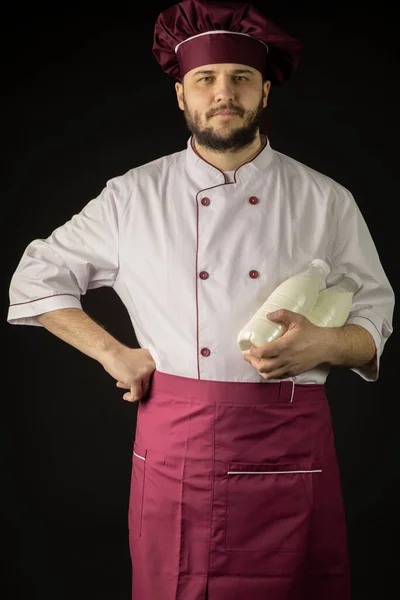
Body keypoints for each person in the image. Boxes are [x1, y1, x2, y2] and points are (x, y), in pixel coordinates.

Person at [7, 0, 394, 599]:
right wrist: (114, 354)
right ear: (181, 96)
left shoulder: (326, 200)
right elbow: (35, 278)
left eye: (241, 78)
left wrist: (323, 344)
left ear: (265, 92)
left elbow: (375, 317)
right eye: (205, 80)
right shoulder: (132, 196)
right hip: (176, 447)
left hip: (289, 441)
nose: (224, 93)